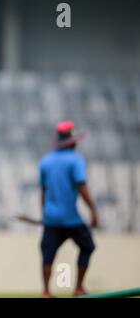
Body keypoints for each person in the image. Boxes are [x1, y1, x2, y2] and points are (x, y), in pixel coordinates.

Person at [39, 120, 98, 298]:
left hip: (51, 218)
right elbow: (82, 188)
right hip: (71, 218)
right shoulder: (76, 160)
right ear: (72, 142)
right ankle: (79, 288)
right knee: (88, 246)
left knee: (48, 254)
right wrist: (93, 210)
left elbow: (43, 191)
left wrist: (44, 214)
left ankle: (46, 292)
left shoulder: (45, 161)